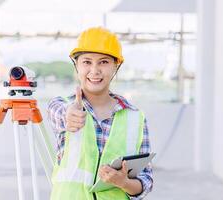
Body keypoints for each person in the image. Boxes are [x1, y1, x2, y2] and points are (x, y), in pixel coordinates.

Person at [48, 27, 153, 200]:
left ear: (115, 66)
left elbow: (145, 181)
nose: (94, 70)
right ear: (77, 66)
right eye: (87, 62)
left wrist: (124, 183)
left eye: (103, 62)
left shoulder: (136, 118)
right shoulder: (62, 106)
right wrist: (69, 115)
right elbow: (59, 113)